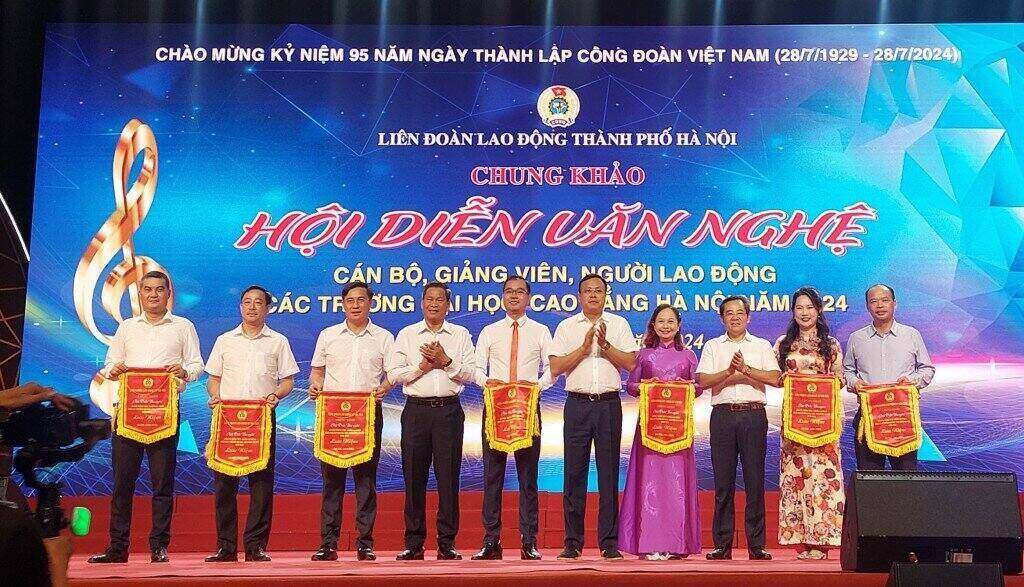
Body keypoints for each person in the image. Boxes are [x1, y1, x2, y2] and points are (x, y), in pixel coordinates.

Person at [89, 270, 204, 564]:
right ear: (140, 293)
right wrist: (114, 370)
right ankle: (117, 548)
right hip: (128, 415)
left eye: (159, 289)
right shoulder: (127, 327)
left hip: (164, 416)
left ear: (169, 294)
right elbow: (111, 362)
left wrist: (185, 373)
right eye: (148, 289)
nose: (153, 295)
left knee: (162, 485)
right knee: (122, 484)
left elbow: (196, 365)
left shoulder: (183, 327)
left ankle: (159, 546)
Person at [203, 285, 298, 563]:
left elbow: (288, 381)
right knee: (224, 485)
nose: (252, 307)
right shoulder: (224, 340)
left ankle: (255, 545)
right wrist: (215, 395)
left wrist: (275, 394)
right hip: (228, 420)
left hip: (261, 420)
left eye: (258, 303)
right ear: (240, 307)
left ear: (268, 308)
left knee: (261, 484)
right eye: (247, 302)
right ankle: (226, 547)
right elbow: (213, 378)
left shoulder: (278, 341)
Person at [550, 273, 638, 560]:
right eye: (587, 290)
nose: (593, 295)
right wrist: (585, 348)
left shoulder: (619, 324)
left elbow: (631, 363)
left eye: (598, 291)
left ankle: (609, 542)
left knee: (609, 473)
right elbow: (556, 367)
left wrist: (606, 345)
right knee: (574, 474)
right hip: (576, 405)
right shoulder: (566, 326)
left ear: (605, 295)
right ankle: (572, 542)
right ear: (579, 295)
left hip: (608, 406)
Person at [387, 282, 475, 561]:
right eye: (430, 299)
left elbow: (470, 373)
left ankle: (446, 543)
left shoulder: (460, 334)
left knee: (448, 478)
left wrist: (445, 360)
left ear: (448, 305)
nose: (435, 304)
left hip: (448, 411)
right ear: (421, 303)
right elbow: (395, 374)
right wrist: (424, 366)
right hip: (416, 411)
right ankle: (414, 543)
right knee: (414, 478)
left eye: (440, 300)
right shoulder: (407, 335)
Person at [309, 281, 393, 562]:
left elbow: (392, 373)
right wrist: (315, 386)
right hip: (334, 415)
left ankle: (365, 543)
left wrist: (385, 387)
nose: (355, 305)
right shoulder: (328, 335)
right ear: (342, 304)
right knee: (331, 482)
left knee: (365, 481)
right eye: (350, 300)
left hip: (367, 415)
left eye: (361, 300)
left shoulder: (383, 337)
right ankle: (327, 543)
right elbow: (317, 372)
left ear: (371, 303)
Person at [471, 276, 552, 561]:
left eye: (519, 292)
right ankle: (491, 541)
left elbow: (551, 368)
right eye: (509, 292)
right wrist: (487, 382)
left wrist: (537, 387)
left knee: (527, 478)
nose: (514, 296)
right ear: (502, 297)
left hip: (527, 410)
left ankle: (529, 541)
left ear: (528, 298)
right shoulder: (489, 332)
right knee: (492, 477)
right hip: (496, 410)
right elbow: (476, 368)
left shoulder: (541, 331)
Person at [697, 295, 780, 561]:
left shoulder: (761, 345)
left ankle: (756, 545)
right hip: (722, 417)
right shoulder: (713, 346)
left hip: (754, 416)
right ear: (722, 318)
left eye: (740, 312)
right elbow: (703, 380)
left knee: (755, 482)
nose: (735, 317)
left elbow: (775, 378)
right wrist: (730, 373)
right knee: (723, 483)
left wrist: (745, 368)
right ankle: (722, 544)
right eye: (729, 313)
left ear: (748, 317)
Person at [619, 304, 702, 561]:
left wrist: (687, 386)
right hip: (650, 430)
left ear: (678, 326)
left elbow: (698, 388)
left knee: (676, 484)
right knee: (649, 483)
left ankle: (677, 544)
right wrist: (646, 385)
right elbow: (630, 386)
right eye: (660, 321)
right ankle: (648, 543)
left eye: (671, 322)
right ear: (653, 325)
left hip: (678, 429)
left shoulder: (688, 356)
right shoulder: (643, 355)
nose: (665, 326)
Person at [774, 287, 845, 561]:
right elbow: (775, 377)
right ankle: (801, 539)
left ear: (818, 311)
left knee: (823, 480)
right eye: (799, 308)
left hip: (823, 423)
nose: (804, 313)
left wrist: (825, 383)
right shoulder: (783, 344)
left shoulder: (831, 345)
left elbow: (839, 380)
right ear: (793, 312)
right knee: (796, 478)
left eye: (809, 308)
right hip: (793, 423)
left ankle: (823, 540)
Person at [843, 284, 935, 470]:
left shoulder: (911, 335)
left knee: (905, 482)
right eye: (874, 301)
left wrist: (911, 381)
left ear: (894, 304)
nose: (880, 305)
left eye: (885, 300)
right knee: (870, 481)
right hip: (868, 417)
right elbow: (847, 371)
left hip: (902, 418)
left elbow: (927, 369)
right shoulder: (857, 338)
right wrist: (855, 383)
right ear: (868, 306)